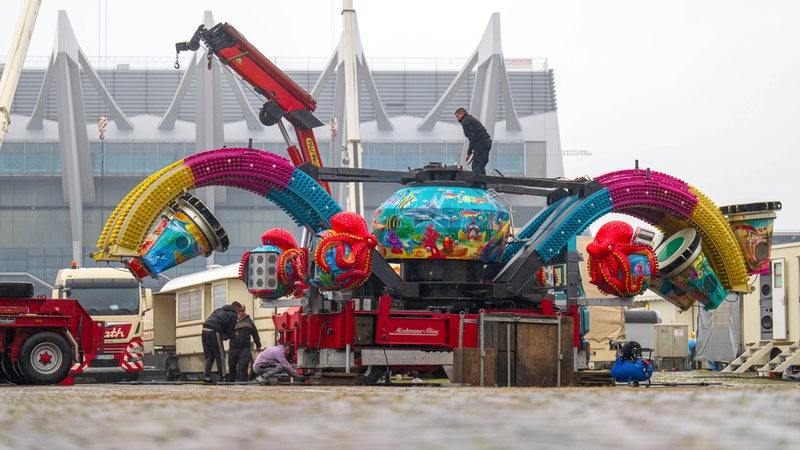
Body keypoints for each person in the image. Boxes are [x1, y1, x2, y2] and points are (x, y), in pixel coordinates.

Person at [201, 301, 243, 384]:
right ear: (237, 309)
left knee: (209, 356)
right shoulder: (233, 315)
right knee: (220, 355)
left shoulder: (218, 310)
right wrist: (234, 334)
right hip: (214, 332)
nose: (239, 313)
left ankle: (206, 377)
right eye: (239, 311)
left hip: (204, 331)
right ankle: (223, 377)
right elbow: (230, 331)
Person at [227, 305, 262, 382]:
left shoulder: (249, 321)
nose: (241, 312)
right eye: (239, 311)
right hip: (233, 346)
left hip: (244, 346)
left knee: (244, 364)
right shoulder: (233, 319)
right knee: (232, 365)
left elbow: (255, 333)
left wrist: (258, 344)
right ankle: (231, 381)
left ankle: (243, 382)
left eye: (242, 311)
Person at [455, 107, 492, 175]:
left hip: (481, 142)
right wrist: (474, 148)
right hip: (487, 141)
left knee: (476, 165)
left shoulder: (465, 121)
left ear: (462, 114)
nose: (457, 119)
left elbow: (472, 138)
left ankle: (478, 184)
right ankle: (483, 183)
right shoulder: (470, 118)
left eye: (457, 116)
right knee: (481, 165)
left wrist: (469, 153)